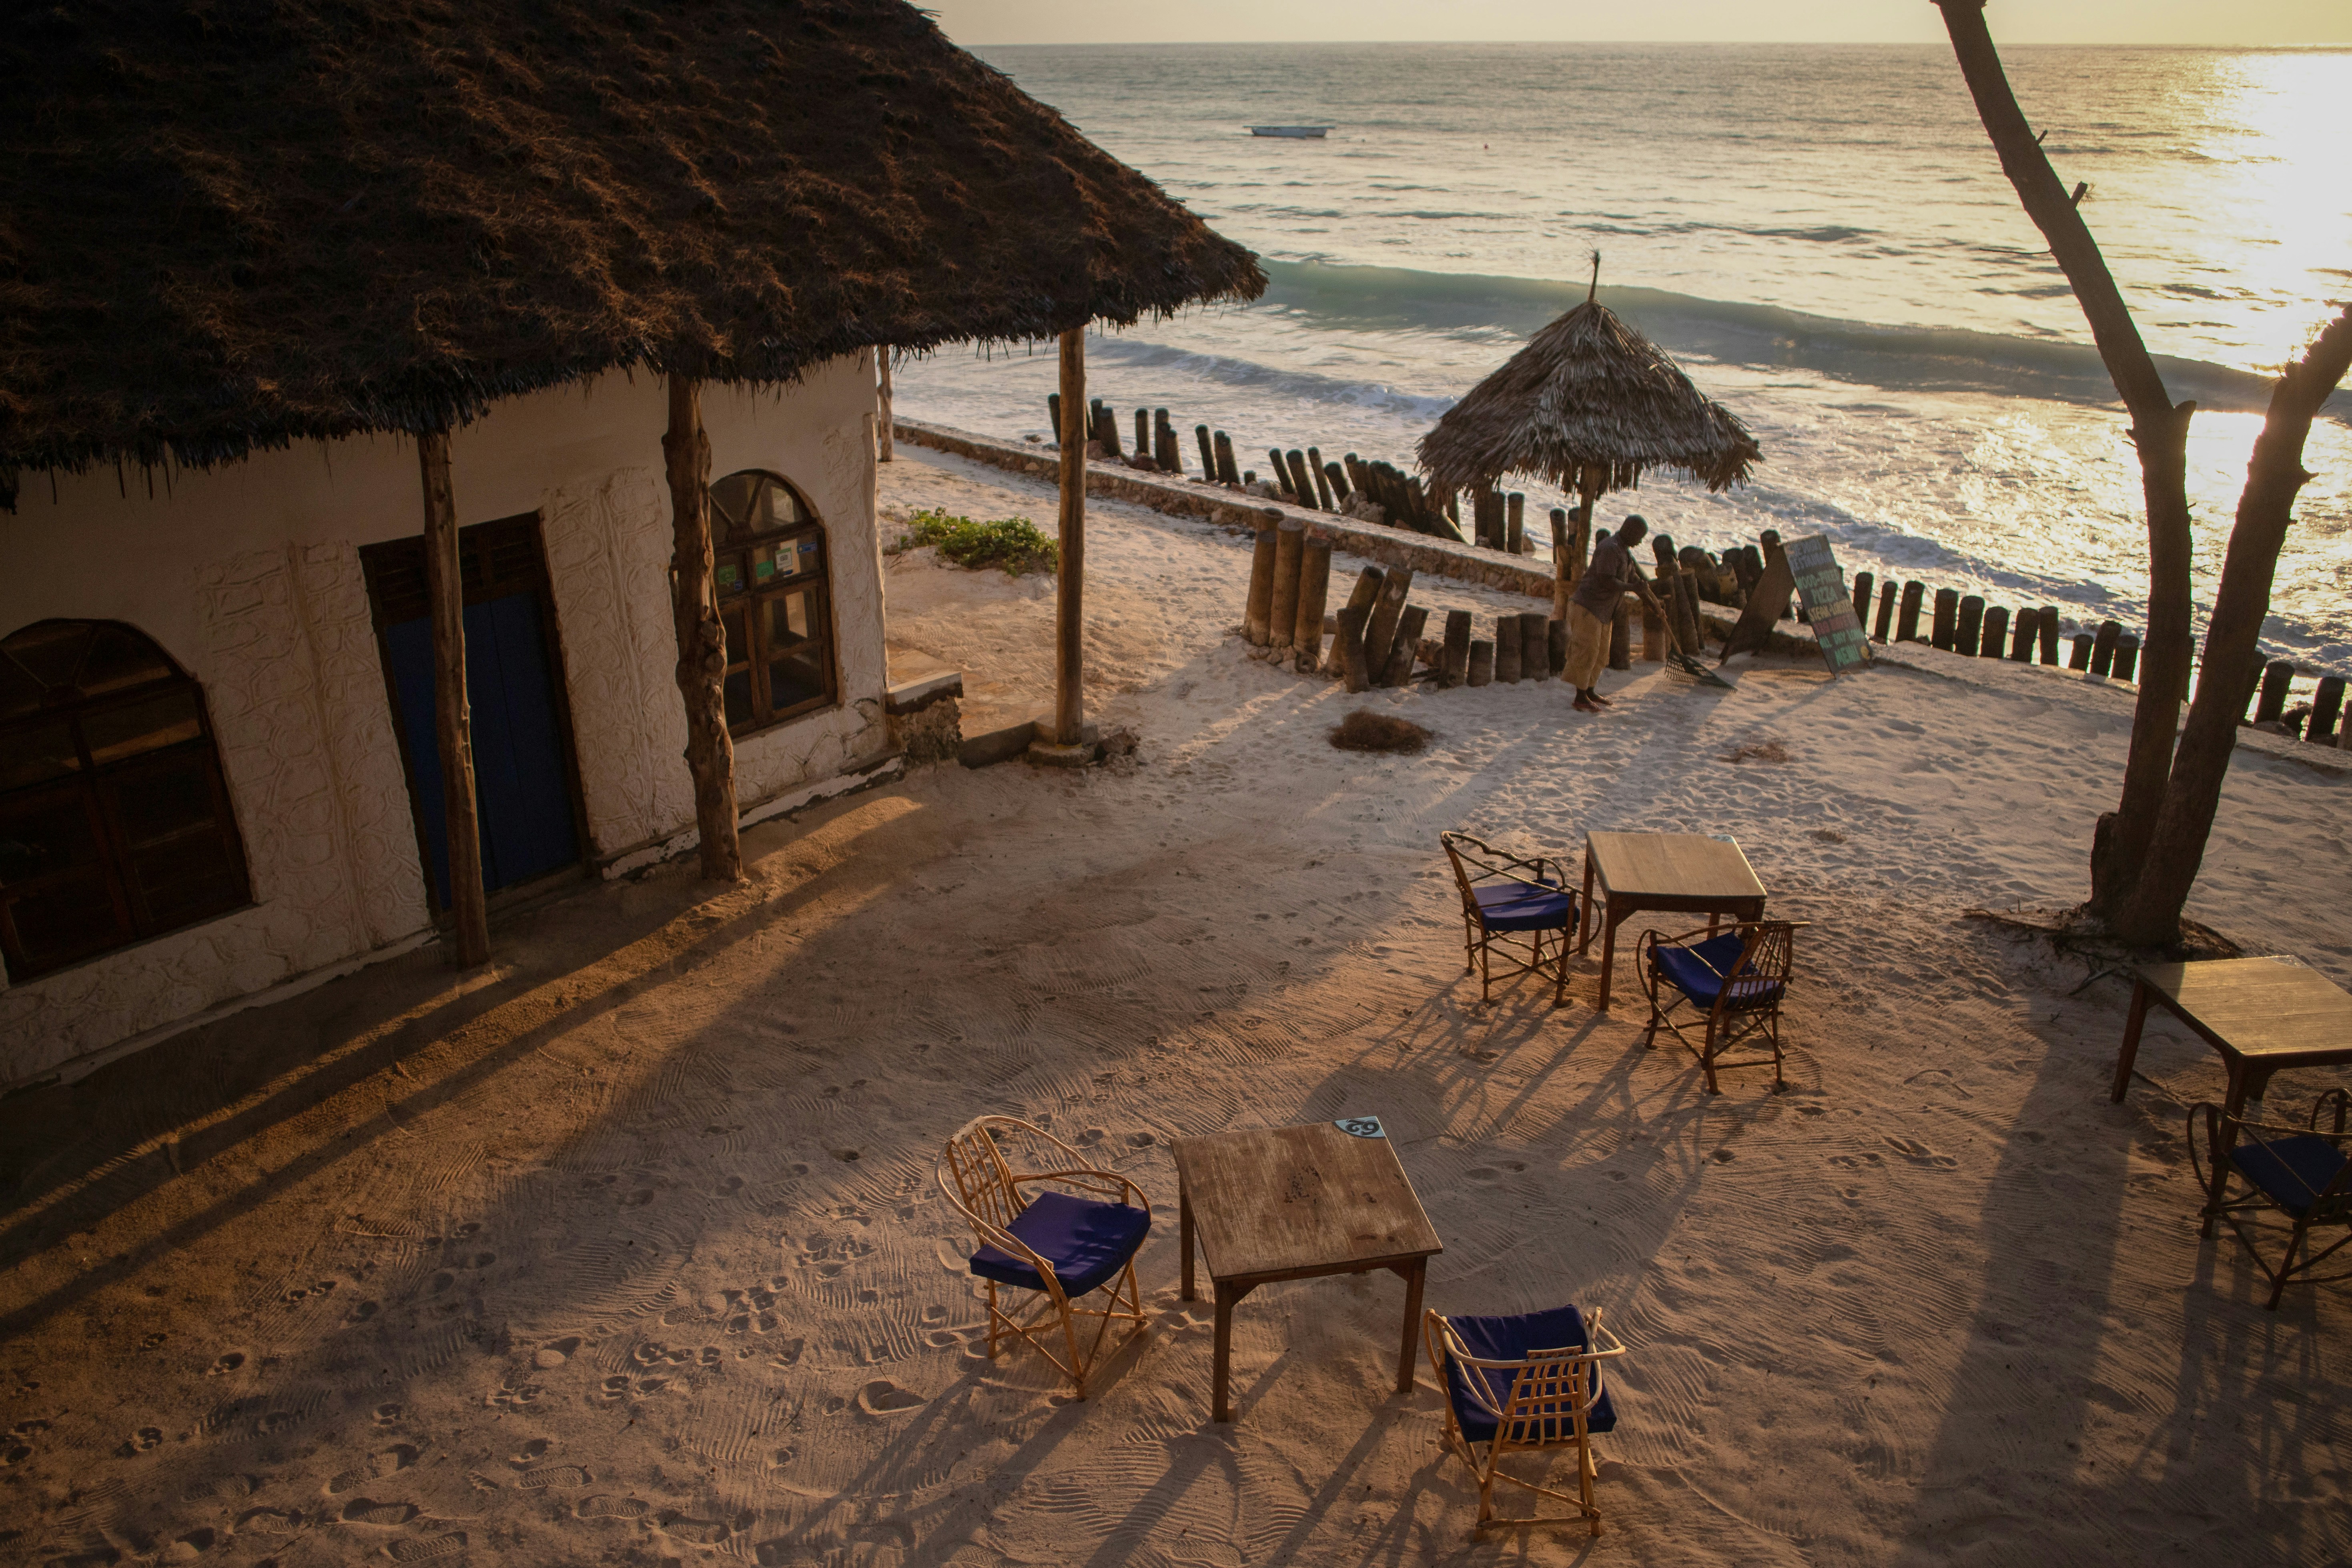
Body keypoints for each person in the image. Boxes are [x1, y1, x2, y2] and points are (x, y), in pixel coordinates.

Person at [1565, 514, 1648, 712]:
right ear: (1629, 531)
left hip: (1603, 610)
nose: (1641, 542)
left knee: (1601, 655)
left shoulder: (1624, 551)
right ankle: (1580, 696)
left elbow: (1634, 579)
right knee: (1587, 652)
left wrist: (1650, 600)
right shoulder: (1610, 548)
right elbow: (1606, 580)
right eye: (1640, 536)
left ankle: (1590, 691)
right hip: (1589, 607)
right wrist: (1632, 587)